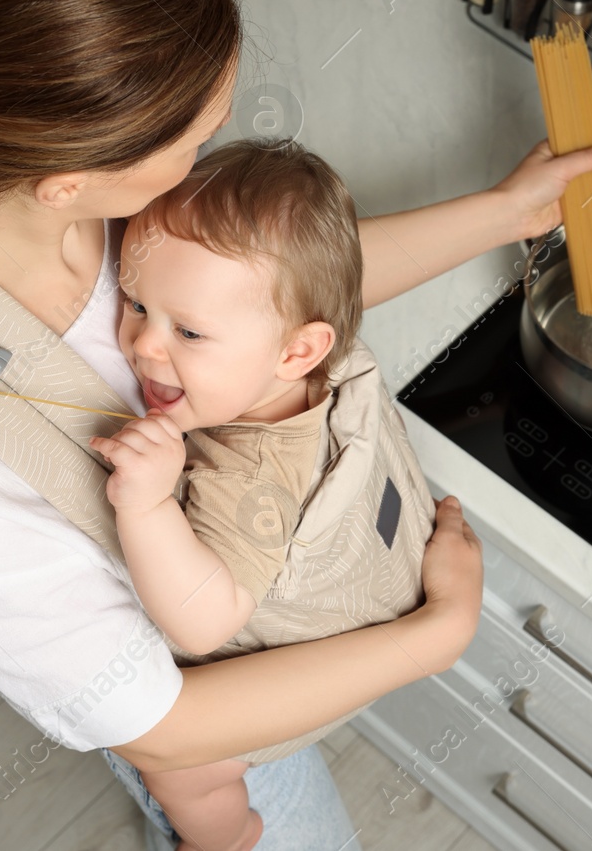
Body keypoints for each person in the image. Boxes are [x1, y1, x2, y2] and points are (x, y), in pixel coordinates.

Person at [0, 0, 592, 848]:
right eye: (191, 141)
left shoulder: (58, 195)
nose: (202, 161)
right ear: (70, 177)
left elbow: (256, 298)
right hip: (208, 715)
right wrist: (429, 638)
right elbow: (166, 723)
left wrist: (503, 212)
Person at [90, 138, 439, 851]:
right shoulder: (320, 360)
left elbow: (203, 623)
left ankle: (227, 836)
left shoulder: (244, 479)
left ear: (297, 351)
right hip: (383, 579)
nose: (143, 346)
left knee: (181, 774)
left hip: (299, 659)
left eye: (187, 330)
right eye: (134, 302)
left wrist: (147, 503)